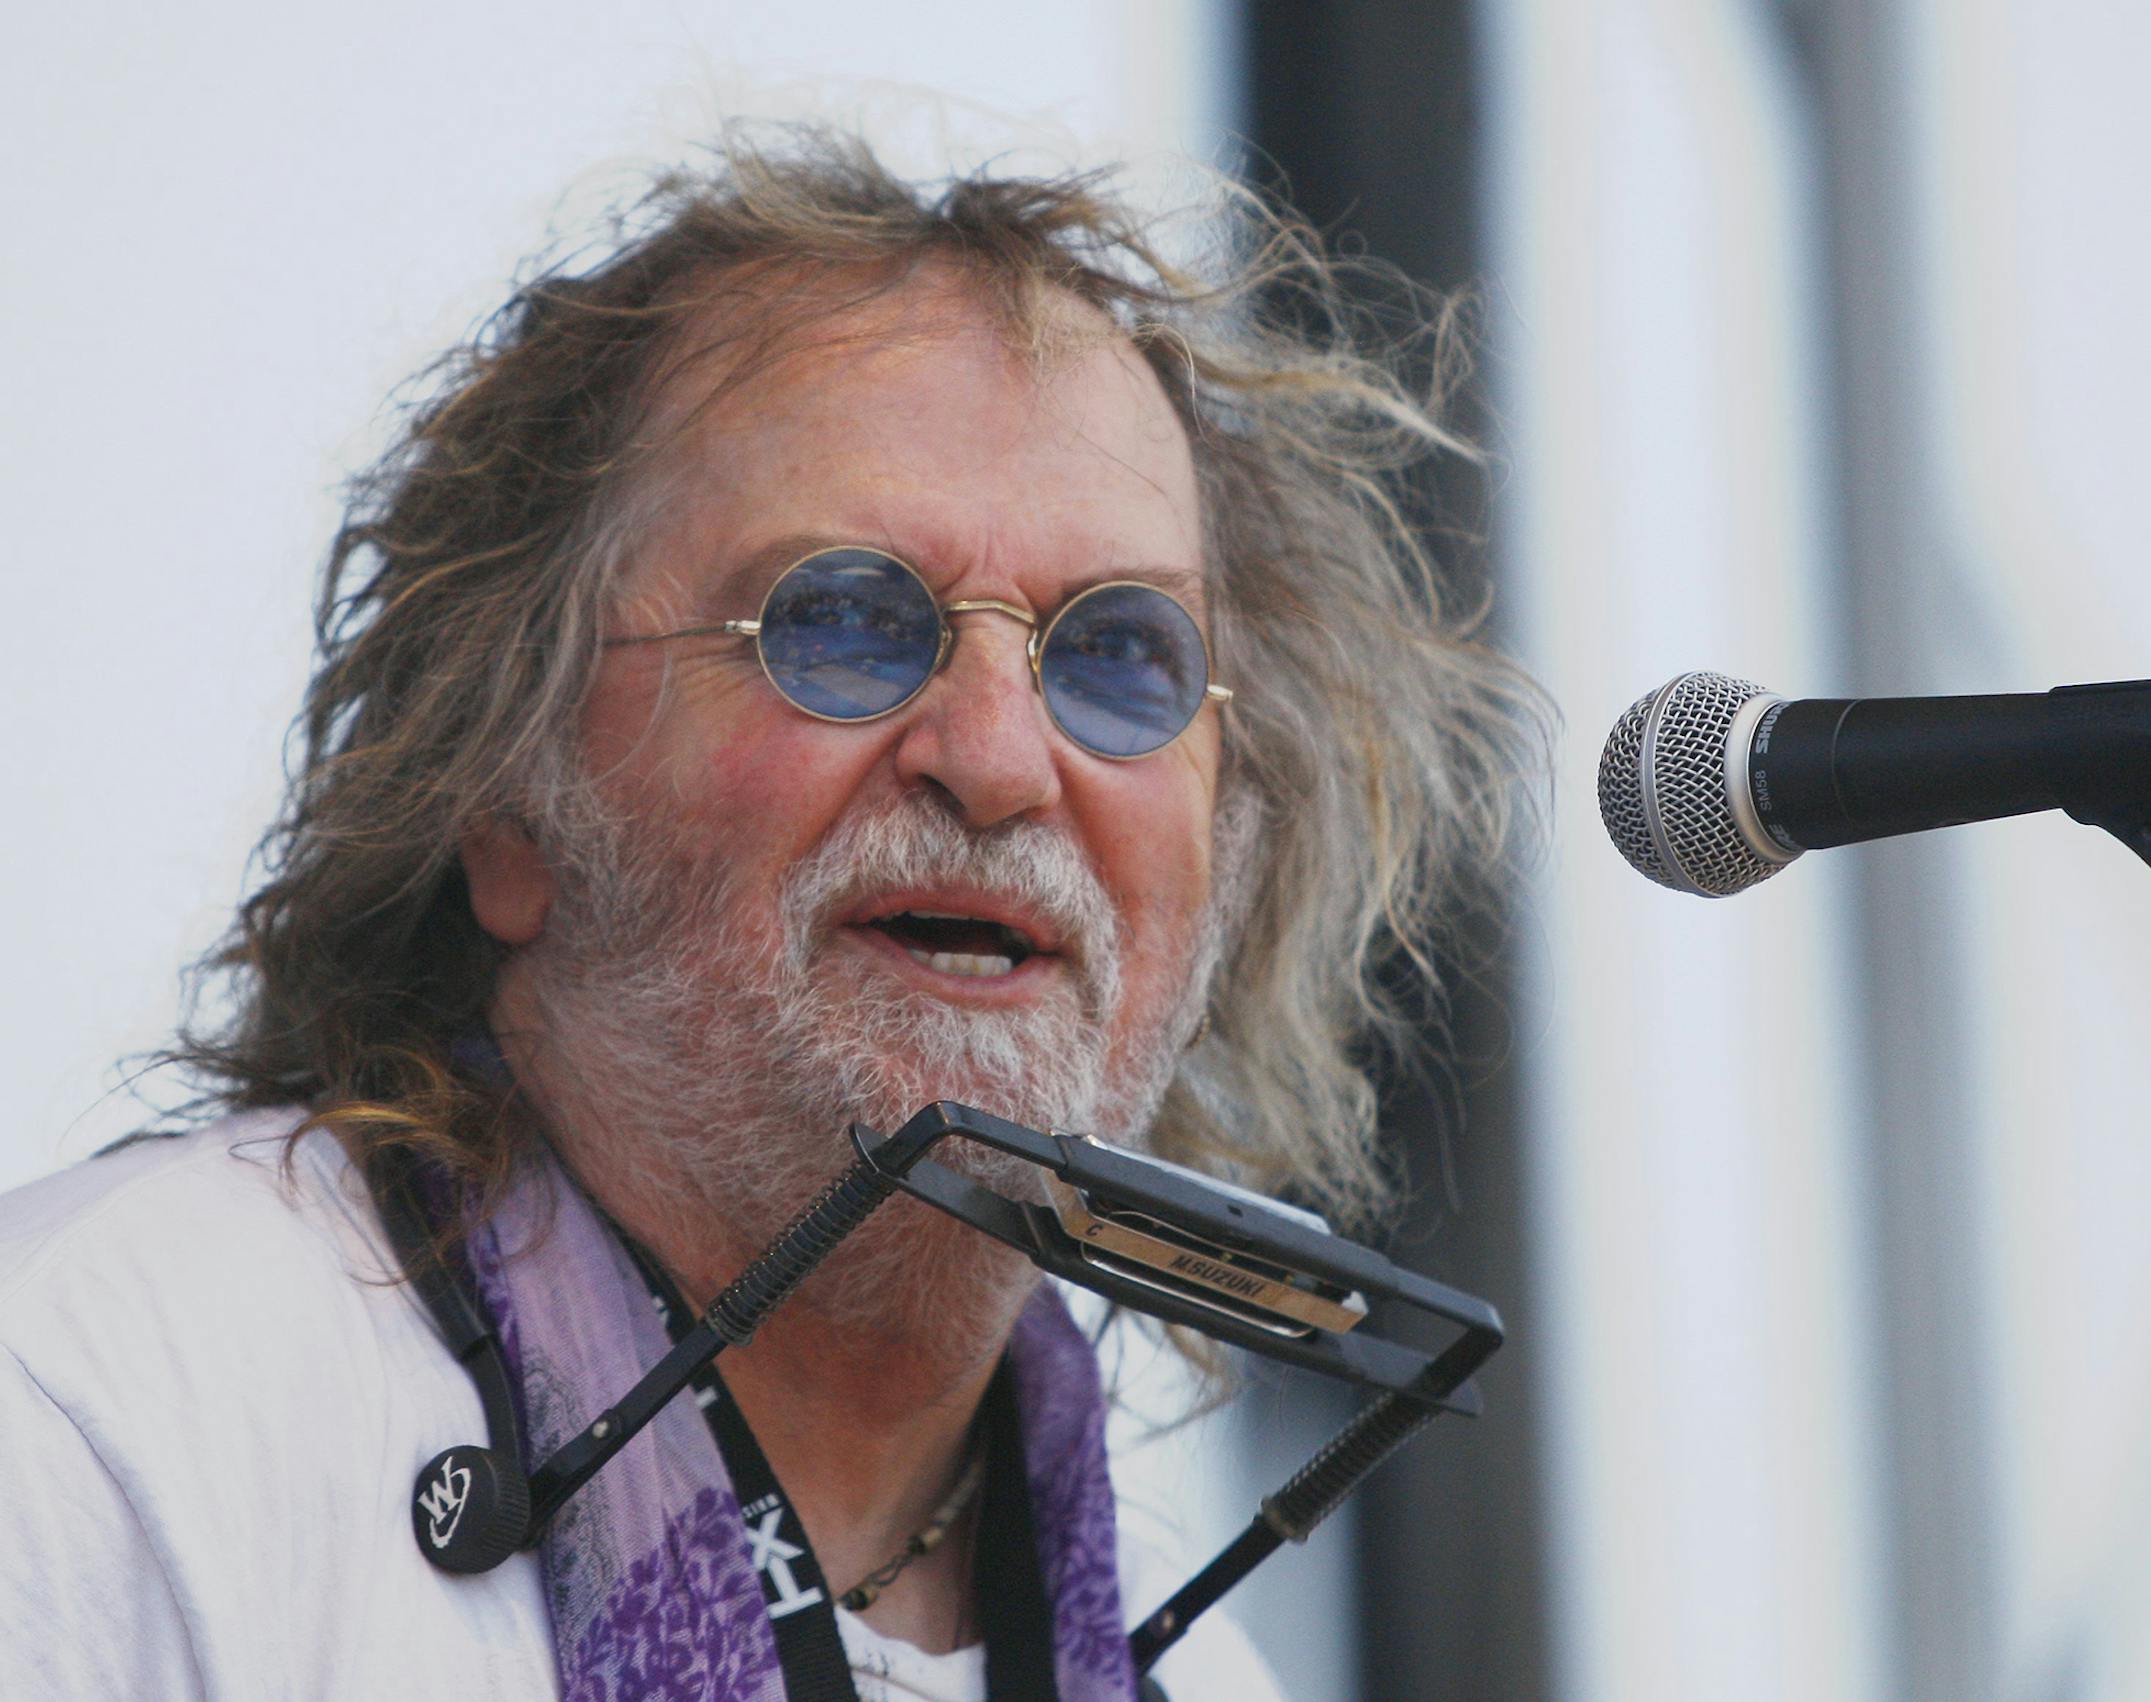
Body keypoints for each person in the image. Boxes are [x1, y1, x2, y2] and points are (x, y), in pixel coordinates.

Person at [0, 127, 1536, 1700]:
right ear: (506, 794)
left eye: (1116, 655)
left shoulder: (1201, 1676)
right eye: (848, 622)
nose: (1000, 760)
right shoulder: (98, 1424)